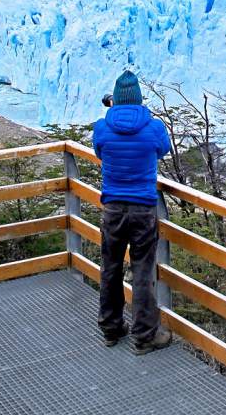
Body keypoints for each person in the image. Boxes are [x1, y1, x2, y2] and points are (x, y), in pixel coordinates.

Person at [92, 70, 173, 354]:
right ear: (139, 100)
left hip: (113, 209)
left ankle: (111, 328)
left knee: (110, 268)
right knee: (142, 270)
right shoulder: (154, 128)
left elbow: (100, 152)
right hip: (143, 210)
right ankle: (145, 335)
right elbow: (163, 150)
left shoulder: (102, 127)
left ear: (114, 100)